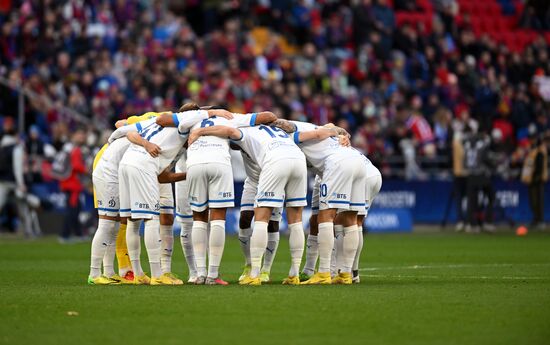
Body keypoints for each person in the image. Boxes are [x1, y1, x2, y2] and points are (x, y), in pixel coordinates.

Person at [115, 108, 231, 285]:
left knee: (132, 221)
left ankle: (138, 274)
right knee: (151, 219)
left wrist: (114, 138)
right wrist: (213, 112)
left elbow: (125, 129)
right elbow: (184, 120)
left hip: (126, 163)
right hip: (144, 164)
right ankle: (157, 275)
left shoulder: (155, 124)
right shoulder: (181, 123)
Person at [189, 122, 308, 286]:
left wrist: (200, 131)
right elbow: (310, 130)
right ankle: (250, 264)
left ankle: (262, 271)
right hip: (256, 180)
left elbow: (230, 131)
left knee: (268, 222)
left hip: (273, 171)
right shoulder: (275, 133)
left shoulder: (248, 132)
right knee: (246, 219)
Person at [184, 109, 277, 284]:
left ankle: (199, 274)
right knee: (218, 218)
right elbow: (269, 117)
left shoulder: (190, 119)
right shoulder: (230, 118)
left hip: (194, 164)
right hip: (219, 162)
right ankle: (213, 275)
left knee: (198, 219)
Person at [88, 119, 160, 285]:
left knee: (113, 226)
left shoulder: (145, 130)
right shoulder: (148, 134)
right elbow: (125, 130)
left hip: (112, 173)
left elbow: (121, 127)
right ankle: (93, 273)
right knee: (106, 224)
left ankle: (108, 271)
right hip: (108, 174)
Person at [57, 127, 88, 243]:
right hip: (72, 184)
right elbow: (76, 166)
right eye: (79, 135)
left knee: (76, 209)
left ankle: (78, 234)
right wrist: (87, 171)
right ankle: (64, 235)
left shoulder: (67, 148)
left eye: (82, 135)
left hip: (68, 183)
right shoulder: (75, 149)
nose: (81, 137)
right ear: (73, 136)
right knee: (72, 210)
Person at [463, 130, 495, 233]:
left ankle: (472, 224)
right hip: (481, 175)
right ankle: (487, 222)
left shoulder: (467, 145)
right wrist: (494, 166)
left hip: (471, 176)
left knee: (472, 201)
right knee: (491, 196)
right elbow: (485, 159)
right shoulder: (482, 145)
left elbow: (465, 163)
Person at [0, 118, 26, 234]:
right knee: (22, 206)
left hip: (3, 180)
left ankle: (26, 230)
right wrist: (21, 184)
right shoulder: (16, 148)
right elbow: (17, 168)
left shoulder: (2, 146)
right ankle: (28, 231)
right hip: (13, 182)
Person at [521, 135, 548, 229]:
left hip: (537, 180)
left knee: (538, 201)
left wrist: (535, 178)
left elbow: (540, 167)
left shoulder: (540, 151)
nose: (531, 141)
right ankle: (536, 220)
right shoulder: (532, 150)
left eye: (532, 139)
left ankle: (540, 221)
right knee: (533, 201)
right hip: (532, 180)